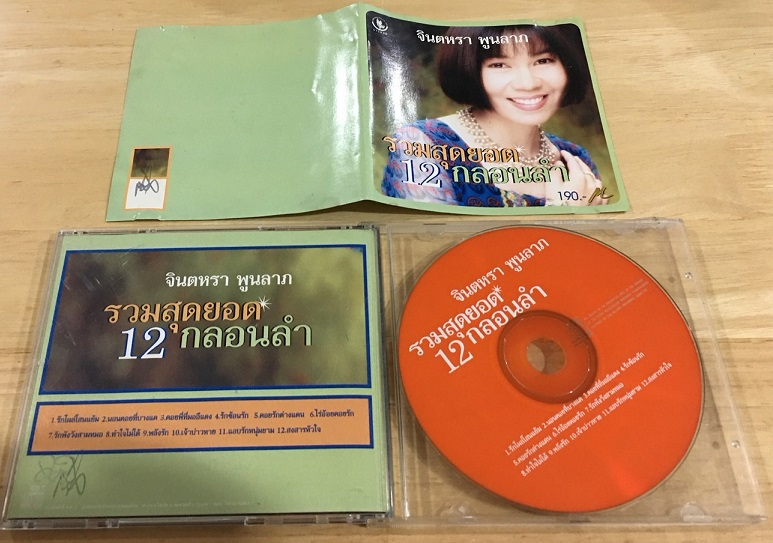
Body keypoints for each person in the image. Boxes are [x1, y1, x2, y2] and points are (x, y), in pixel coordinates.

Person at [380, 24, 606, 207]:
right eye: (499, 65)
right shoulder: (421, 143)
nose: (528, 83)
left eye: (543, 61)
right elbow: (428, 243)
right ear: (468, 69)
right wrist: (563, 210)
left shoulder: (575, 159)